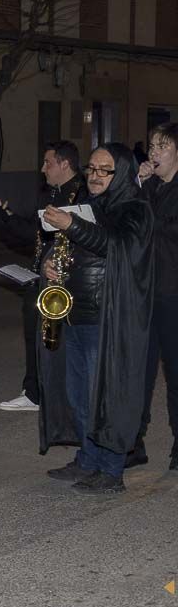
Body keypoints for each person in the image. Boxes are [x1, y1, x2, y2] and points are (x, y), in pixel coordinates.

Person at [40, 144, 153, 494]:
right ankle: (88, 460)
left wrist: (72, 224)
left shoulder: (135, 209)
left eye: (105, 169)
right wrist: (50, 263)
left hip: (107, 318)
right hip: (74, 313)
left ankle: (111, 469)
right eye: (91, 168)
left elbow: (114, 246)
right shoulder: (91, 207)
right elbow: (75, 249)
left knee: (106, 395)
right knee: (79, 396)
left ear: (120, 173)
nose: (95, 175)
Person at [0, 142, 85, 412]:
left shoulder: (81, 195)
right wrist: (9, 218)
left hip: (65, 281)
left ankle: (51, 394)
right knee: (37, 335)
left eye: (48, 163)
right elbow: (37, 234)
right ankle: (34, 391)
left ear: (64, 164)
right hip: (41, 277)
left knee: (59, 340)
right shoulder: (53, 194)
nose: (43, 169)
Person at [133, 123, 178, 470]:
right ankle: (134, 440)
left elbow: (160, 227)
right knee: (139, 371)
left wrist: (146, 192)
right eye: (151, 146)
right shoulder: (148, 187)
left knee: (175, 374)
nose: (154, 153)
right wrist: (139, 184)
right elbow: (133, 225)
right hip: (147, 292)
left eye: (162, 146)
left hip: (174, 295)